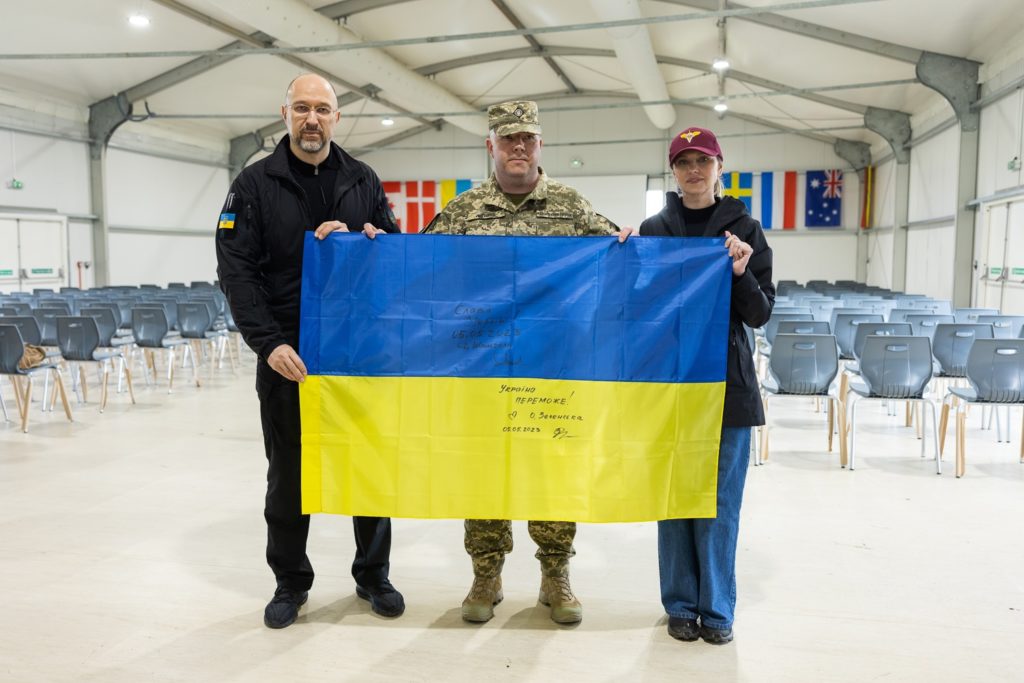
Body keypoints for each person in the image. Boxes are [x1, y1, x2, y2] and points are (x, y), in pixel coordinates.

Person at [424, 100, 630, 625]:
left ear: (540, 146)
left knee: (553, 466)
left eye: (528, 139)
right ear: (490, 146)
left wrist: (635, 245)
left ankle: (555, 574)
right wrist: (365, 246)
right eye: (508, 138)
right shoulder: (463, 212)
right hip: (482, 368)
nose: (519, 147)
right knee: (484, 468)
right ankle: (486, 575)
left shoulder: (572, 207)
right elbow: (416, 268)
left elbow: (619, 261)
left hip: (554, 368)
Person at [215, 73, 404, 629]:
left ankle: (373, 575)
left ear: (337, 117)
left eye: (322, 109)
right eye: (302, 108)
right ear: (285, 114)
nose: (312, 119)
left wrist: (374, 242)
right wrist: (268, 343)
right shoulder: (253, 185)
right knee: (288, 474)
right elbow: (236, 271)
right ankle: (290, 582)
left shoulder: (362, 179)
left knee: (368, 467)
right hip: (288, 359)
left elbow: (395, 254)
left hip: (358, 355)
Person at [639, 126, 774, 644]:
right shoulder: (655, 229)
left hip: (727, 388)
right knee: (674, 500)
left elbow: (760, 315)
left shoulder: (746, 230)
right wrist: (623, 254)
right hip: (668, 386)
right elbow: (639, 305)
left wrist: (741, 273)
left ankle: (717, 610)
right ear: (673, 172)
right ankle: (679, 604)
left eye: (704, 160)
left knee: (719, 502)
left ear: (721, 166)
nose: (694, 170)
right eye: (683, 162)